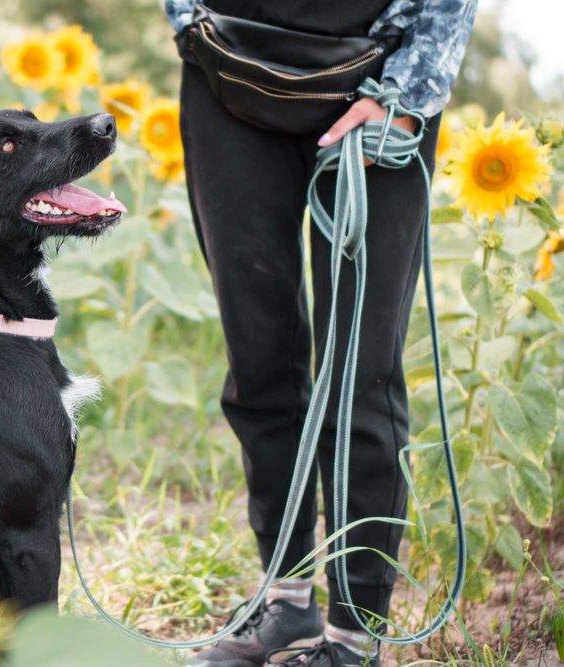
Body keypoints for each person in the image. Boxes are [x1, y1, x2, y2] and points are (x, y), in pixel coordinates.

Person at [163, 1, 478, 666]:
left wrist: (412, 87)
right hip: (229, 71)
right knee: (257, 355)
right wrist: (188, 21)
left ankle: (355, 634)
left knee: (361, 368)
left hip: (380, 76)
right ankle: (287, 602)